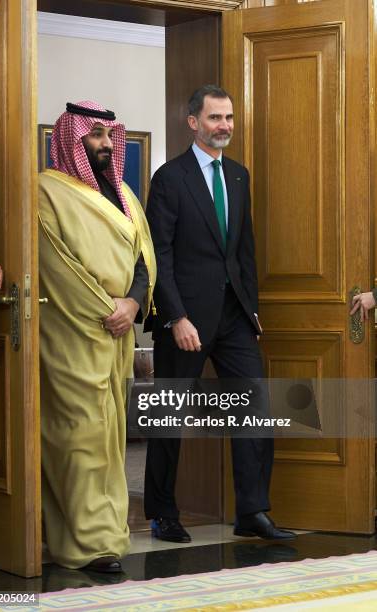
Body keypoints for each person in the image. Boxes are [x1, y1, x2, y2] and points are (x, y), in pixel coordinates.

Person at [144, 85, 295, 543]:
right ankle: (162, 513)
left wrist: (250, 307)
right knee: (170, 418)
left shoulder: (240, 176)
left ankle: (252, 512)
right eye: (215, 118)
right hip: (185, 319)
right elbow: (159, 256)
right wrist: (176, 317)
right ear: (193, 122)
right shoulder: (170, 178)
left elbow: (243, 251)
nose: (224, 126)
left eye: (228, 118)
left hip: (233, 318)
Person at [38, 101, 156, 572]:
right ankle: (83, 544)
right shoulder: (47, 191)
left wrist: (131, 304)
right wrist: (106, 309)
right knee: (78, 435)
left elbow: (145, 257)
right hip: (72, 331)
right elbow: (55, 265)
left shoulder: (124, 194)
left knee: (111, 438)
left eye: (111, 136)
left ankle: (108, 536)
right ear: (73, 139)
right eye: (97, 136)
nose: (109, 144)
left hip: (118, 332)